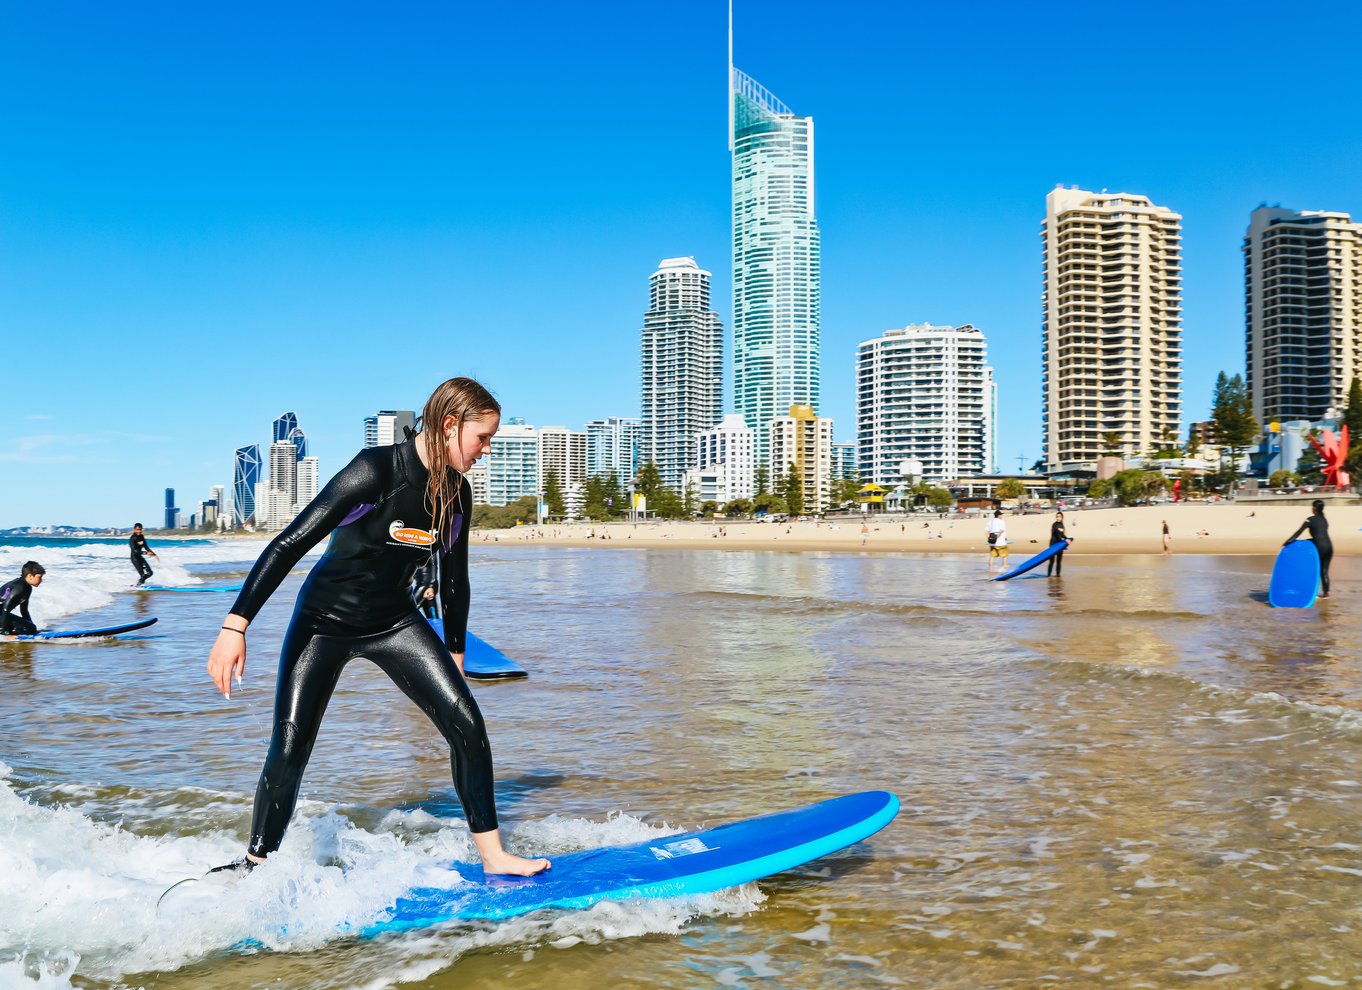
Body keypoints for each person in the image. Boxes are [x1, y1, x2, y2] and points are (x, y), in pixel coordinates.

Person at [205, 377, 550, 879]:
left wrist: (454, 650)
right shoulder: (374, 471)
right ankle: (255, 864)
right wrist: (235, 626)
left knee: (467, 725)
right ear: (450, 426)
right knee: (292, 741)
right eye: (483, 438)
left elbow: (456, 579)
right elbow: (289, 543)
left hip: (394, 622)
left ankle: (495, 855)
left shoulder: (456, 493)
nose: (486, 450)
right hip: (324, 623)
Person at [1284, 499, 1333, 599]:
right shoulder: (1324, 520)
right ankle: (1326, 593)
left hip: (1319, 547)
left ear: (1314, 508)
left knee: (1313, 570)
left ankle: (1308, 592)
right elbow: (1320, 535)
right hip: (1329, 547)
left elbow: (1299, 531)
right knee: (1324, 571)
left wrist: (1288, 541)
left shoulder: (1310, 519)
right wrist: (1309, 540)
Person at [0, 561, 45, 636]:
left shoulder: (27, 588)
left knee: (30, 628)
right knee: (27, 629)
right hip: (2, 613)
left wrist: (32, 627)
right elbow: (5, 609)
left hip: (2, 614)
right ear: (30, 576)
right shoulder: (20, 587)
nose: (41, 580)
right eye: (39, 577)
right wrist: (6, 633)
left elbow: (24, 610)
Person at [1046, 511, 1067, 576]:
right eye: (1057, 517)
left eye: (1060, 517)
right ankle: (1048, 576)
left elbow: (1062, 534)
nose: (1058, 518)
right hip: (1053, 545)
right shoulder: (1054, 525)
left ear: (1062, 517)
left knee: (1059, 561)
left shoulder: (1062, 525)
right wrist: (1066, 539)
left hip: (1060, 545)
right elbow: (1058, 534)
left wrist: (1067, 539)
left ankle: (1058, 576)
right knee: (1051, 561)